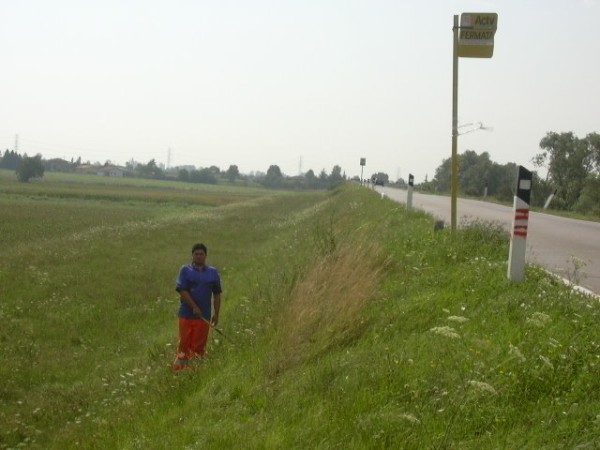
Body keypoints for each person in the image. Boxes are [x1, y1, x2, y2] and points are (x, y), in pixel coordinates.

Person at [172, 243, 222, 371]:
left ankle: (195, 371)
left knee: (199, 345)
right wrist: (194, 307)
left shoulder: (213, 272)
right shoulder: (185, 270)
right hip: (186, 315)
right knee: (184, 343)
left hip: (203, 316)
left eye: (201, 254)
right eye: (196, 254)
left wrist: (216, 314)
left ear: (206, 256)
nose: (199, 256)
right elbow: (182, 290)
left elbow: (217, 294)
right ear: (192, 256)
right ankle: (180, 370)